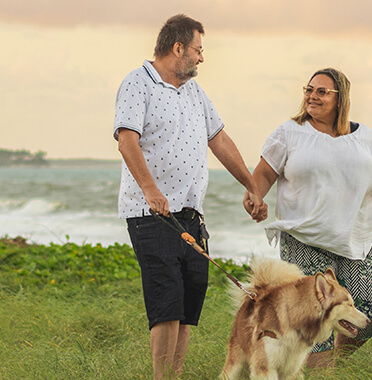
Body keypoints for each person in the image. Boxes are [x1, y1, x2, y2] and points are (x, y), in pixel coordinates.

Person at [113, 14, 264, 380]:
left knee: (187, 302)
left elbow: (220, 141)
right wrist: (150, 189)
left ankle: (174, 376)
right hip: (151, 214)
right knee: (166, 303)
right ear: (178, 47)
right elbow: (126, 139)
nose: (201, 58)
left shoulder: (195, 92)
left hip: (190, 215)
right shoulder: (137, 84)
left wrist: (251, 185)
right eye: (198, 50)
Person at [244, 67, 372, 368]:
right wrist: (255, 196)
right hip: (305, 239)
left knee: (367, 315)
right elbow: (264, 173)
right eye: (309, 89)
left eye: (321, 91)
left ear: (341, 98)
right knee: (313, 319)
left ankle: (331, 360)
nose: (312, 96)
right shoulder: (289, 132)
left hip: (356, 241)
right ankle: (318, 369)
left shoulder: (367, 138)